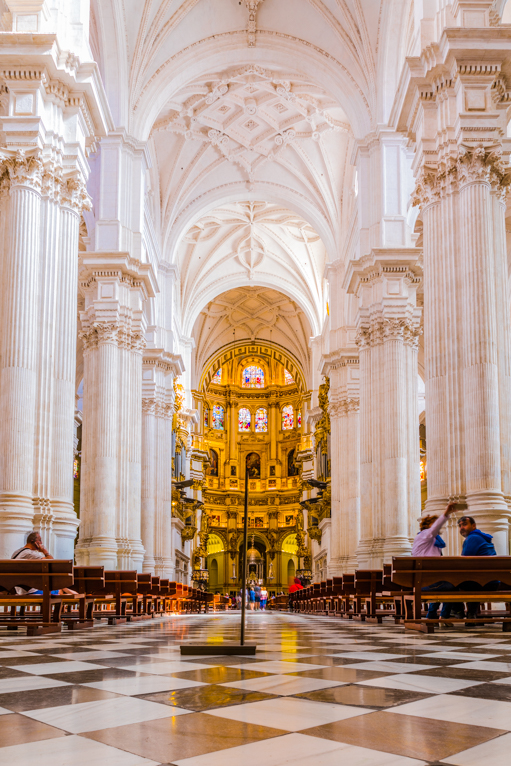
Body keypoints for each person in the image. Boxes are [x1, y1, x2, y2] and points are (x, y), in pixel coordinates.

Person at [412, 502, 462, 621]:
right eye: (433, 524)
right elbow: (434, 529)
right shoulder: (426, 535)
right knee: (453, 586)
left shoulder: (429, 541)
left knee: (443, 583)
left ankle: (432, 615)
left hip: (424, 581)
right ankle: (444, 616)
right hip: (426, 583)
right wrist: (446, 513)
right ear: (427, 526)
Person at [458, 515, 497, 625]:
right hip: (493, 581)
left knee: (452, 583)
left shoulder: (473, 538)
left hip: (484, 582)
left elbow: (465, 559)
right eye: (460, 526)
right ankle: (471, 614)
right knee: (472, 579)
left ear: (473, 526)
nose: (461, 528)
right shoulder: (481, 537)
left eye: (464, 524)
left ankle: (459, 612)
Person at [11, 532, 77, 595]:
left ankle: (69, 592)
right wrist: (44, 551)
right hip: (29, 590)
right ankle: (74, 595)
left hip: (19, 588)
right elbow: (51, 562)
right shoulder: (30, 553)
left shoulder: (17, 552)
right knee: (59, 591)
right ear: (33, 542)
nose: (41, 543)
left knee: (59, 588)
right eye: (40, 540)